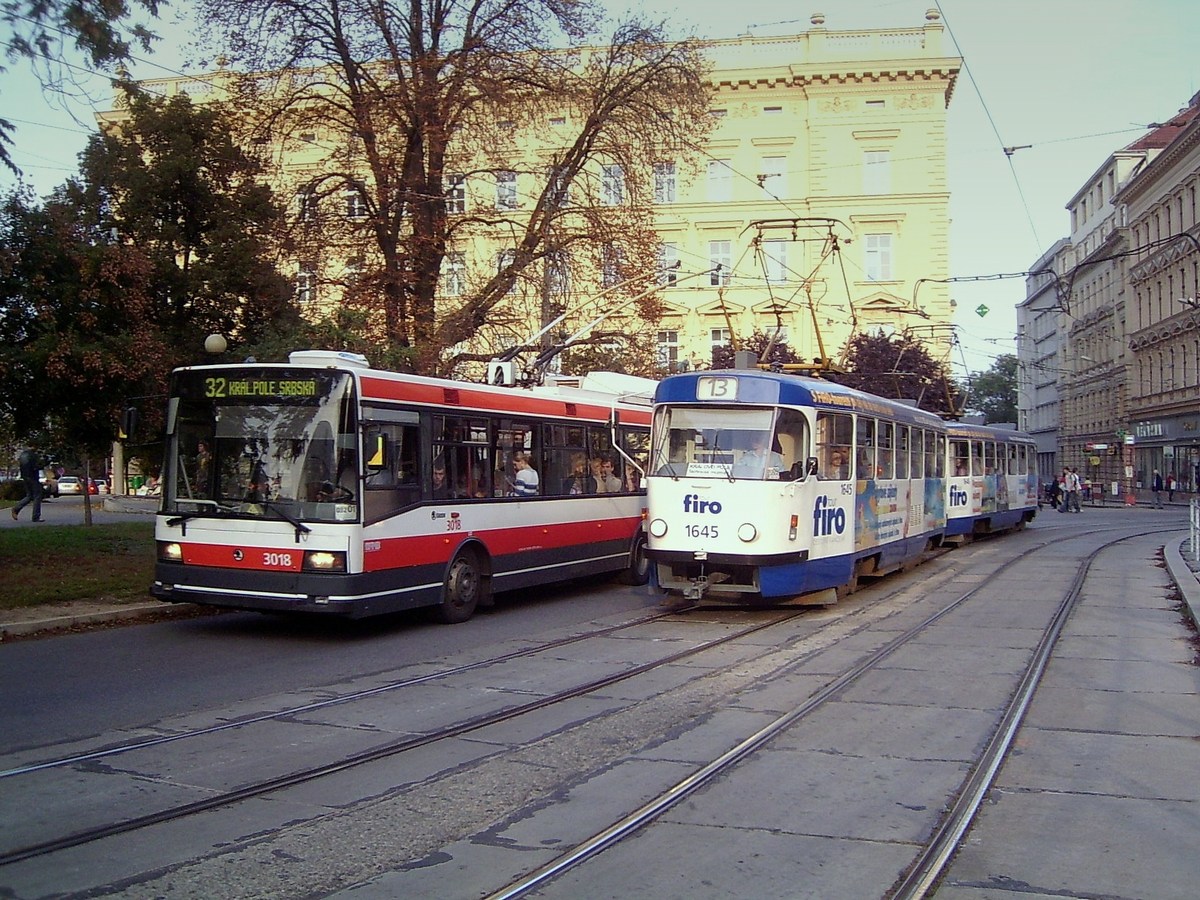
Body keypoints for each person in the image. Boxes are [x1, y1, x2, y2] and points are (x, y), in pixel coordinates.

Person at [11, 448, 45, 522]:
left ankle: (16, 509)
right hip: (33, 477)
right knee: (37, 496)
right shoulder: (33, 455)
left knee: (30, 496)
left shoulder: (23, 455)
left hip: (25, 477)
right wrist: (43, 464)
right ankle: (36, 516)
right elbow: (36, 467)